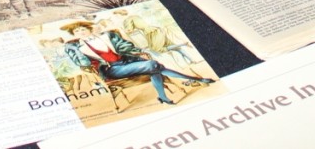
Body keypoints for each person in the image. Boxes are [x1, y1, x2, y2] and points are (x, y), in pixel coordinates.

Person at [60, 19, 212, 106]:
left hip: (129, 62)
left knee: (153, 68)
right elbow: (83, 64)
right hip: (112, 70)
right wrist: (77, 51)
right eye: (77, 32)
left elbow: (126, 46)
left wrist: (134, 51)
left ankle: (163, 97)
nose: (81, 32)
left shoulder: (108, 36)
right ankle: (195, 79)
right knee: (152, 65)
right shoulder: (77, 47)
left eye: (83, 29)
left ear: (89, 29)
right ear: (74, 35)